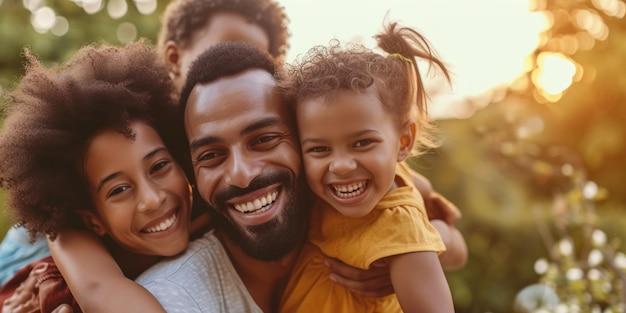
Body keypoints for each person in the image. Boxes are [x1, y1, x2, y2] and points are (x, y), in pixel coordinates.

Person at [136, 40, 465, 313]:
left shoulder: (359, 194)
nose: (241, 174)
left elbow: (420, 217)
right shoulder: (176, 298)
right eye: (211, 155)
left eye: (263, 139)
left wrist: (421, 245)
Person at [0, 40, 193, 313]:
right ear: (93, 221)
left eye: (159, 166)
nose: (152, 199)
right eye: (119, 189)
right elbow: (99, 289)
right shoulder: (65, 266)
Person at [278, 21, 455, 312]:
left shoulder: (401, 230)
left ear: (403, 141)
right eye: (319, 149)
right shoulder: (392, 179)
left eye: (362, 143)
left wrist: (431, 236)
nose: (343, 165)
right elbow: (422, 191)